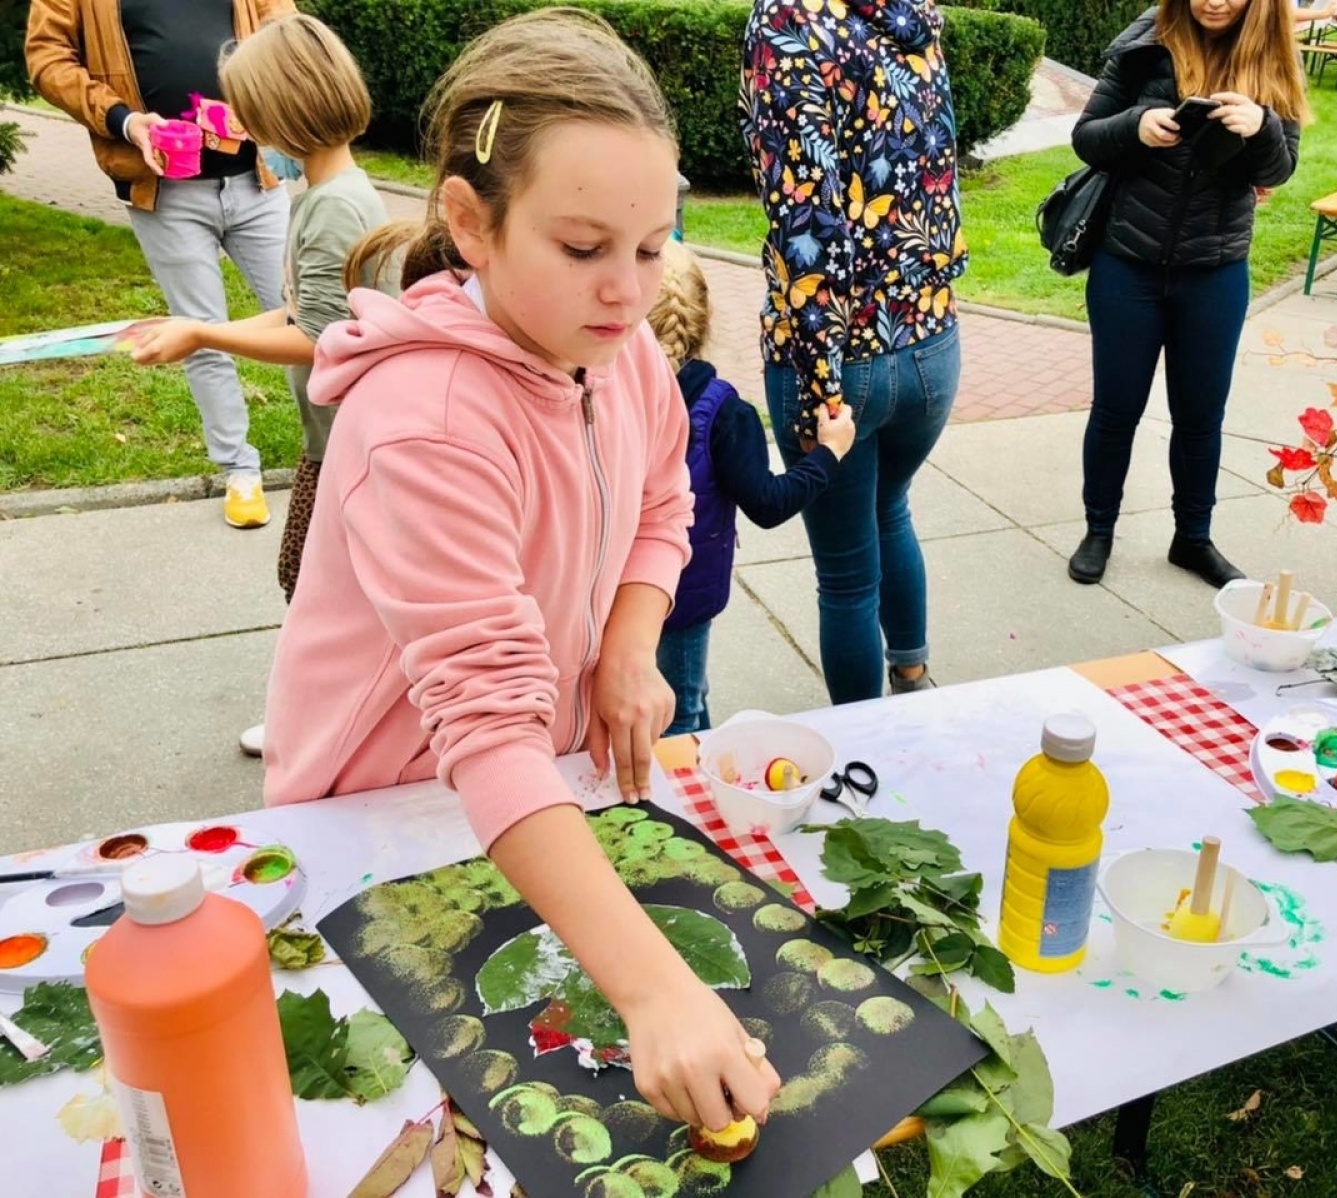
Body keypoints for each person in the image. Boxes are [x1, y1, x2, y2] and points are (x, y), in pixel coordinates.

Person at [261, 10, 781, 1132]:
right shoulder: (425, 420)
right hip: (385, 813)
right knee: (418, 1113)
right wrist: (655, 990)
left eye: (651, 249)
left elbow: (661, 502)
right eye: (585, 249)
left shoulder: (625, 350)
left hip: (523, 793)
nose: (629, 292)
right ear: (470, 222)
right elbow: (481, 722)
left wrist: (630, 648)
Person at [127, 12, 396, 758]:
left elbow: (317, 334)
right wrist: (194, 323)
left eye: (245, 109)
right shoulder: (318, 191)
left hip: (353, 449)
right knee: (316, 583)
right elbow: (304, 305)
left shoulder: (337, 204)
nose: (234, 123)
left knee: (324, 590)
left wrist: (203, 332)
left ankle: (331, 718)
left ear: (285, 113)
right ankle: (335, 710)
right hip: (332, 441)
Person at [740, 0, 965, 705]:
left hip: (842, 352)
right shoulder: (912, 16)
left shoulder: (787, 18)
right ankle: (912, 677)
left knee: (843, 571)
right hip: (931, 343)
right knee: (889, 508)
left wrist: (819, 382)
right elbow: (936, 182)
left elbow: (805, 215)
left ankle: (867, 744)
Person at [1066, 0, 1308, 589]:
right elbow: (1086, 138)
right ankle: (1099, 529)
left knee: (1201, 416)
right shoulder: (1146, 43)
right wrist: (1135, 126)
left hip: (1216, 269)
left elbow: (1280, 171)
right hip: (1128, 264)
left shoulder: (1272, 57)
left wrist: (1263, 127)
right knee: (1115, 409)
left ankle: (1192, 540)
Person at [26, 0, 294, 529]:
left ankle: (333, 454)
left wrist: (263, 101)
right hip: (165, 192)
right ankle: (240, 471)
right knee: (201, 330)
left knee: (308, 318)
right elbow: (47, 58)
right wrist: (125, 122)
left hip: (256, 179)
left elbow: (284, 31)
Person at [648, 241, 857, 735]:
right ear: (704, 317)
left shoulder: (604, 390)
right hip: (685, 595)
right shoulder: (725, 414)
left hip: (612, 591)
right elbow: (767, 503)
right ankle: (689, 789)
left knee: (669, 694)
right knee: (680, 709)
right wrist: (830, 453)